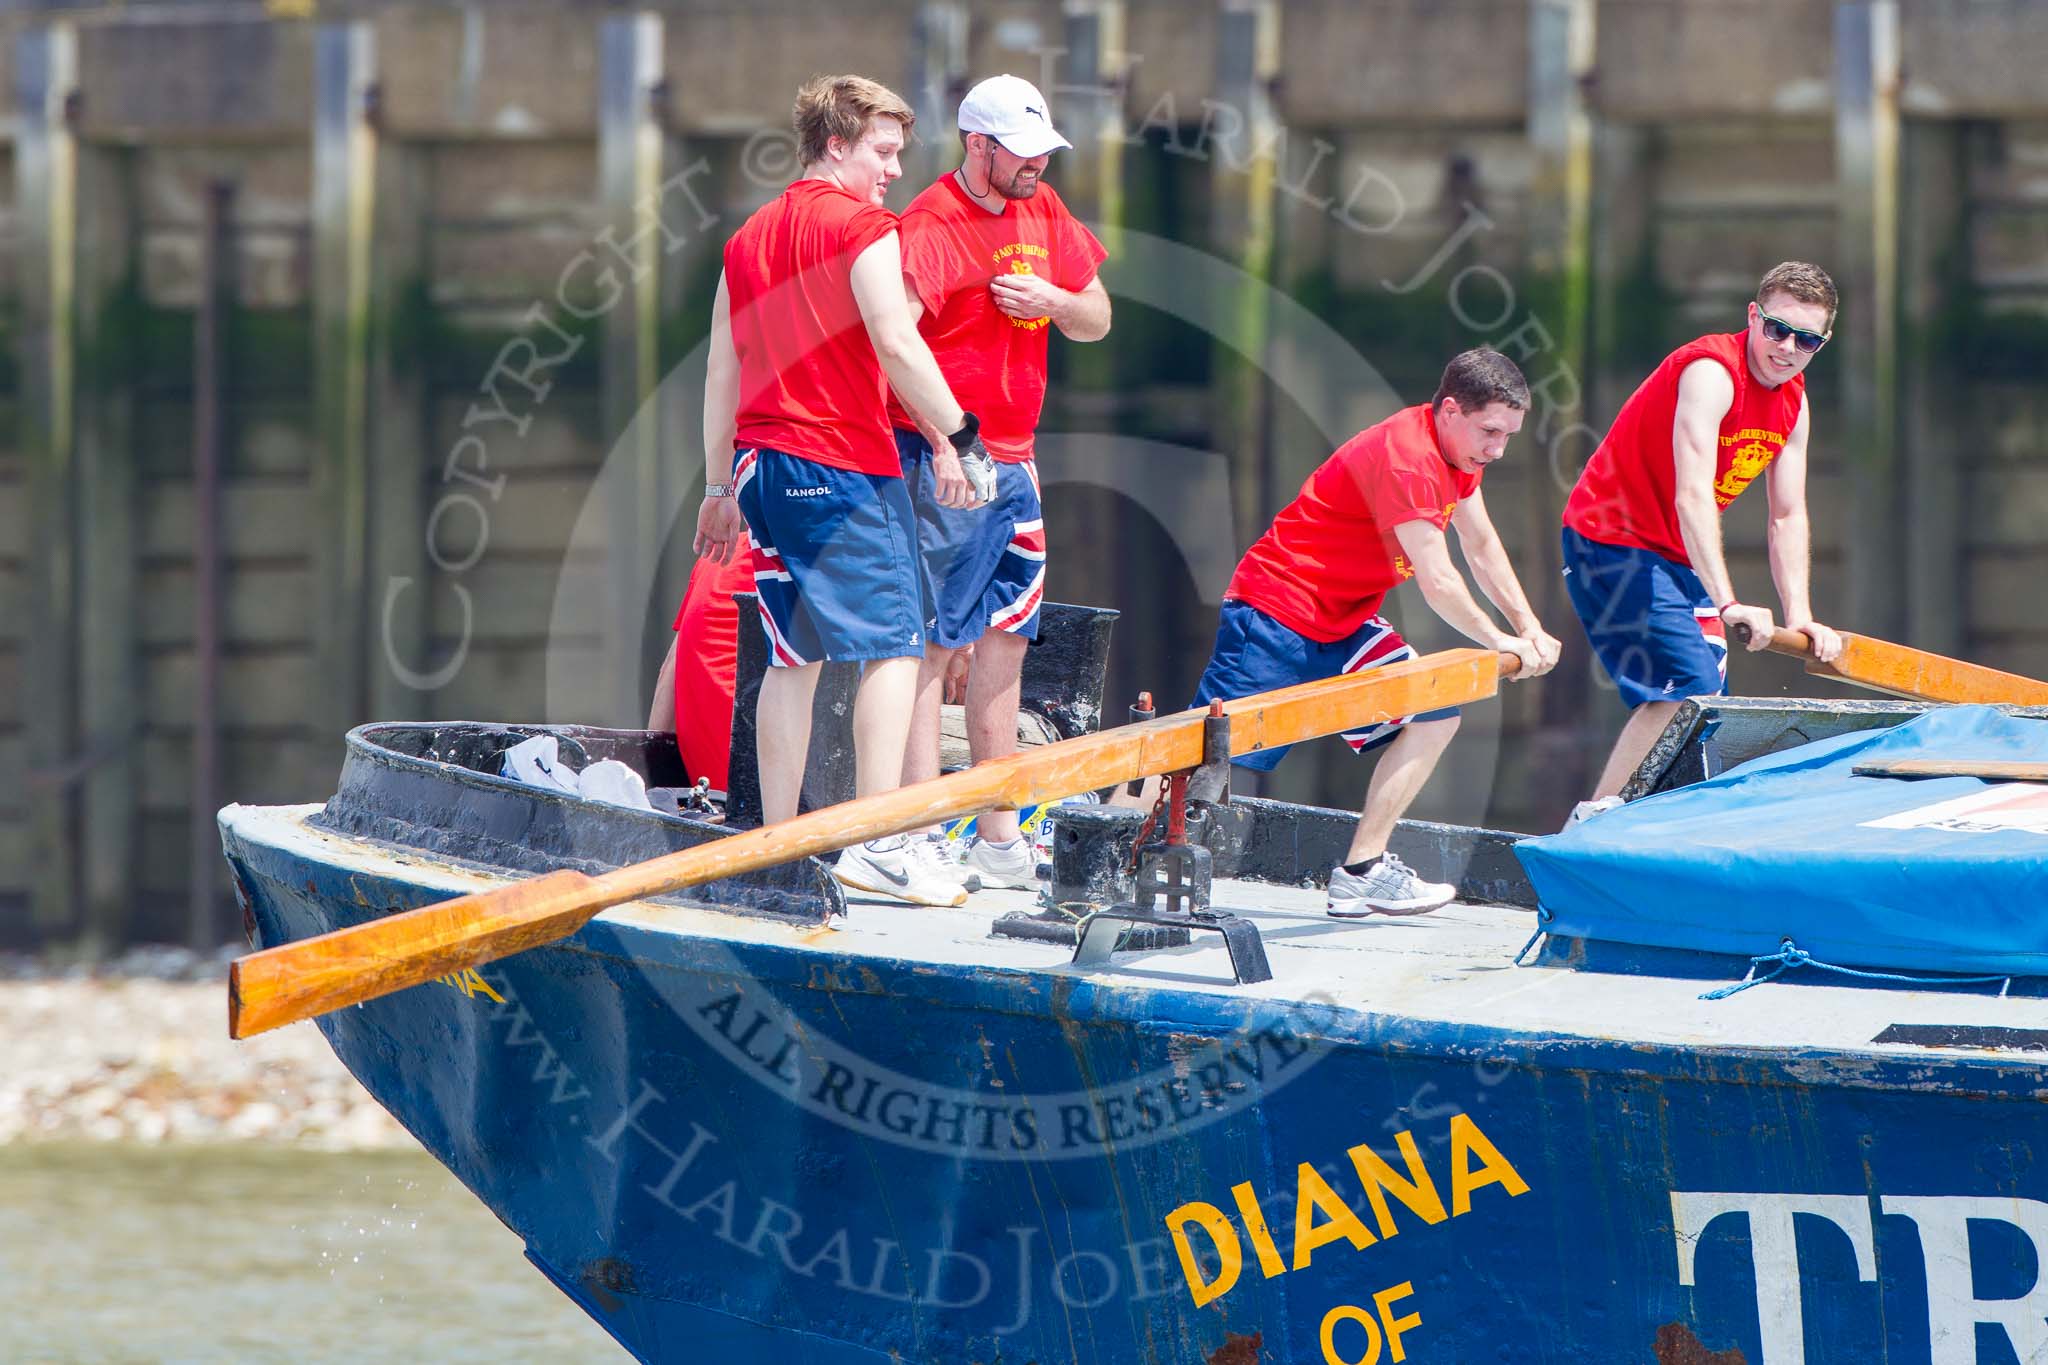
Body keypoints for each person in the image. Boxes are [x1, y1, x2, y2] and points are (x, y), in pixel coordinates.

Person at [693, 74, 994, 908]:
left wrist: (718, 483)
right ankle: (881, 841)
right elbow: (897, 343)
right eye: (884, 152)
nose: (895, 169)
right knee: (896, 643)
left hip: (760, 468)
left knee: (793, 658)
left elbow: (723, 369)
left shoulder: (748, 238)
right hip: (839, 465)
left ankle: (775, 846)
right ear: (837, 145)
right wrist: (962, 438)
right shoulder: (864, 227)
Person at [1189, 348, 1559, 917]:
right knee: (1202, 753)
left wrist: (1529, 627)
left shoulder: (1462, 457)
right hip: (1275, 611)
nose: (1497, 449)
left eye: (1508, 435)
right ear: (1451, 410)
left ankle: (1362, 869)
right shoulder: (1410, 458)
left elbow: (1481, 546)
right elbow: (1437, 580)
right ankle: (1104, 843)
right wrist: (1498, 640)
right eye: (1489, 431)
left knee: (1434, 714)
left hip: (1347, 620)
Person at [888, 74, 1111, 890]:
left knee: (1008, 635)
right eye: (1021, 154)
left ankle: (997, 832)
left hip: (1017, 460)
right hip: (950, 461)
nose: (1036, 167)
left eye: (1044, 153)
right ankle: (913, 829)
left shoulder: (1043, 210)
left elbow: (1097, 314)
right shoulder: (933, 221)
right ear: (976, 145)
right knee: (932, 643)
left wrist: (1055, 298)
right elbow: (895, 343)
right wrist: (945, 443)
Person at [1561, 261, 1844, 819]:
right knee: (1685, 687)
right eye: (1777, 329)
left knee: (1707, 703)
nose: (1787, 348)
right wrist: (1730, 602)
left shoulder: (1795, 402)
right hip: (1608, 541)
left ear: (1822, 343)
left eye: (1806, 340)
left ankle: (1642, 824)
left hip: (1673, 555)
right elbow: (1691, 495)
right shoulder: (1712, 371)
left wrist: (1802, 615)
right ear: (1752, 317)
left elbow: (1787, 514)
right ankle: (1594, 824)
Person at [647, 531, 755, 794]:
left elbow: (668, 673)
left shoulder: (715, 555)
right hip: (757, 786)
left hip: (707, 783)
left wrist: (649, 776)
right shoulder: (794, 556)